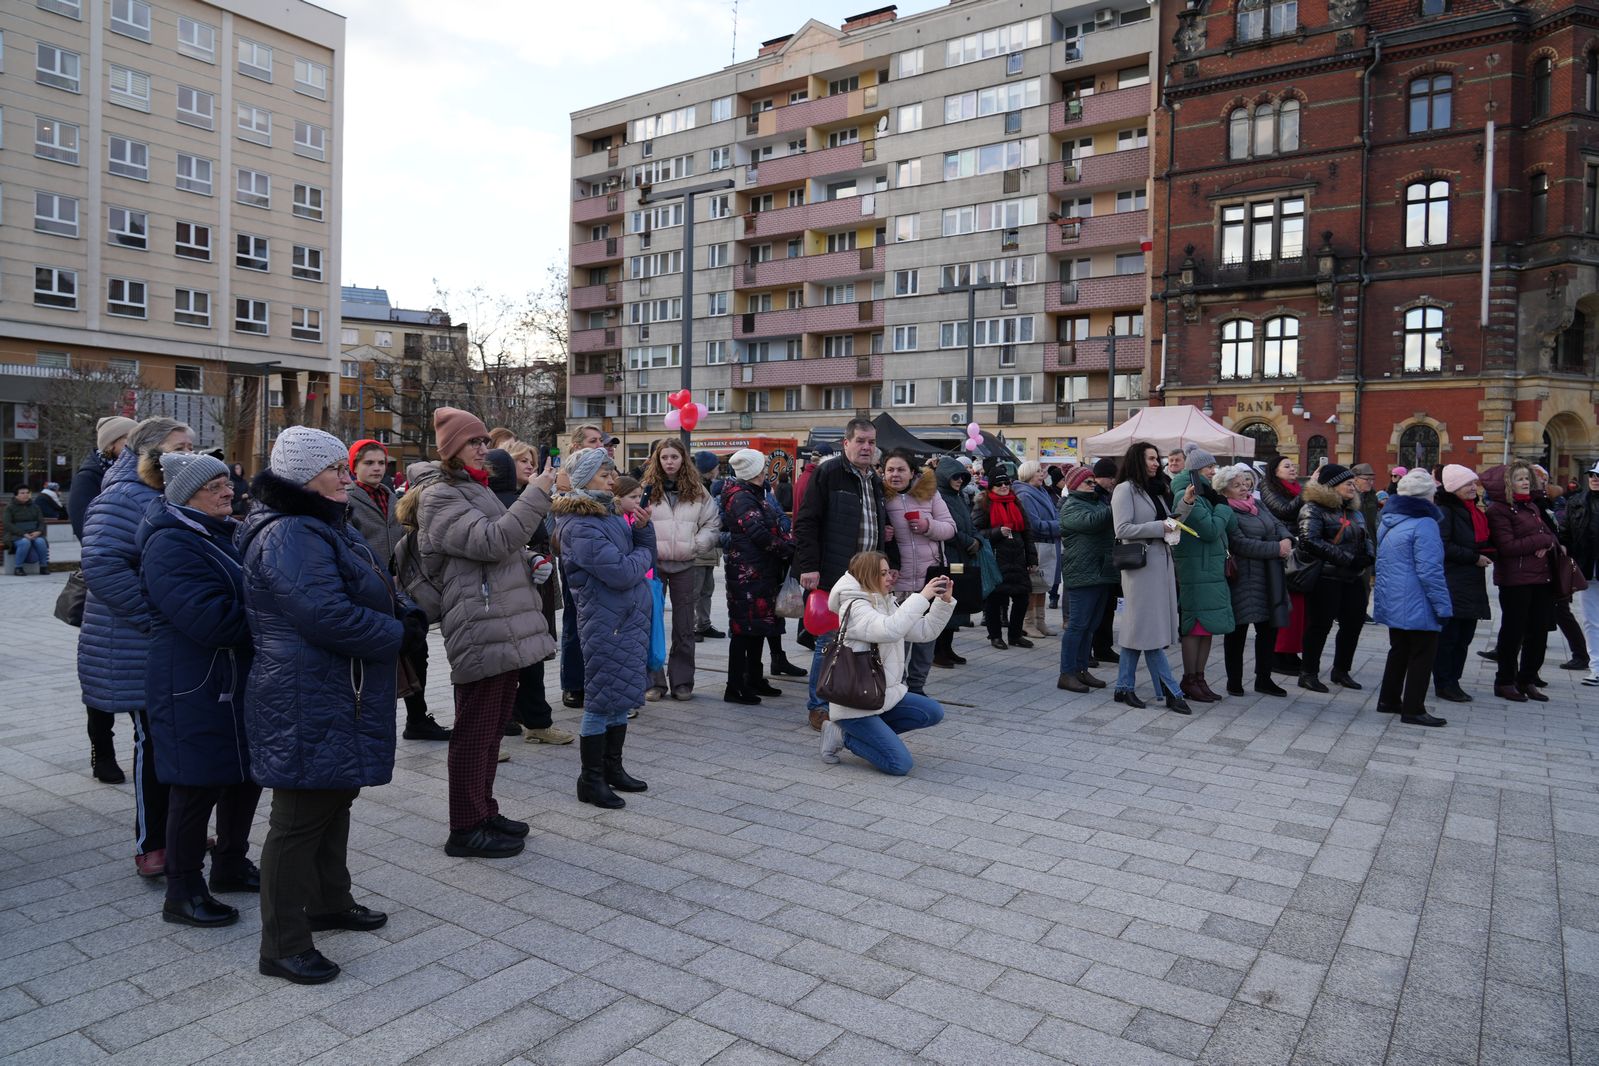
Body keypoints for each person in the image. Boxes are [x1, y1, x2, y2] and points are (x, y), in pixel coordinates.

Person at [240, 426, 410, 984]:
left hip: (333, 687)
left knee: (335, 797)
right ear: (301, 475)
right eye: (335, 469)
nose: (347, 476)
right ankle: (283, 944)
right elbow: (325, 614)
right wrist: (396, 633)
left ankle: (328, 901)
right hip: (303, 691)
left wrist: (404, 609)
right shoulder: (292, 531)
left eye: (344, 466)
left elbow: (364, 584)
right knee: (298, 818)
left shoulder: (322, 522)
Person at [401, 408, 558, 857]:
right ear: (452, 448)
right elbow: (491, 541)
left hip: (498, 617)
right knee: (475, 731)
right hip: (478, 621)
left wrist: (529, 559)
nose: (483, 448)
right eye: (474, 442)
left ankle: (484, 811)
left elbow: (497, 547)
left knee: (492, 729)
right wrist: (536, 493)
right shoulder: (440, 495)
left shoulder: (473, 486)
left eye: (485, 441)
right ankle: (465, 828)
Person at [137, 451, 262, 927]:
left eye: (227, 482)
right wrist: (275, 612)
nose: (230, 491)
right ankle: (183, 890)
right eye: (215, 486)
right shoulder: (170, 543)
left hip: (232, 677)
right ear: (186, 495)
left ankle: (230, 863)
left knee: (244, 774)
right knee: (196, 784)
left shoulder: (219, 531)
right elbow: (211, 621)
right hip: (192, 683)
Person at [80, 417, 194, 869]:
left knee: (172, 739)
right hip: (134, 641)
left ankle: (177, 832)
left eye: (190, 447)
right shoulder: (123, 496)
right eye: (179, 448)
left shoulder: (164, 490)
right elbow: (102, 566)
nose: (188, 455)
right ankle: (153, 844)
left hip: (160, 638)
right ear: (146, 451)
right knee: (152, 741)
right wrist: (155, 618)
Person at [550, 447, 653, 808]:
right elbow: (621, 572)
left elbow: (630, 562)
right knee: (600, 700)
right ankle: (590, 779)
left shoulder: (606, 514)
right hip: (604, 622)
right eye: (605, 475)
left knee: (619, 695)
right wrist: (644, 551)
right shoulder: (579, 524)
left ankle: (613, 768)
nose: (613, 480)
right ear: (584, 480)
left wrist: (642, 532)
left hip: (624, 619)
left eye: (612, 473)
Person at [348, 438, 451, 742]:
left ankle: (417, 719)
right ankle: (367, 723)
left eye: (381, 463)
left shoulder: (391, 496)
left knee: (417, 651)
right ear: (354, 466)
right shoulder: (349, 500)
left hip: (400, 591)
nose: (377, 468)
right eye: (369, 463)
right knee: (379, 659)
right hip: (368, 592)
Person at [794, 419, 891, 732]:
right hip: (836, 573)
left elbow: (878, 525)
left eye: (871, 442)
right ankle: (818, 706)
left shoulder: (874, 479)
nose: (866, 447)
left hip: (869, 577)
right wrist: (809, 566)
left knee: (861, 639)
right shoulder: (829, 473)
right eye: (860, 441)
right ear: (846, 443)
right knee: (829, 641)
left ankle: (850, 699)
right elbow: (806, 521)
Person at [819, 552, 954, 775]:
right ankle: (842, 735)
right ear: (867, 575)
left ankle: (874, 734)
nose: (890, 577)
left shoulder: (885, 600)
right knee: (899, 764)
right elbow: (890, 630)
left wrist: (943, 602)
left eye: (888, 572)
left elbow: (924, 632)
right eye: (883, 574)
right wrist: (922, 597)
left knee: (932, 711)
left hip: (882, 695)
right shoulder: (854, 606)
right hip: (855, 703)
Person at [483, 446, 573, 746]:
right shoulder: (506, 502)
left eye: (531, 461)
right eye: (522, 461)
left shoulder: (500, 499)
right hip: (520, 589)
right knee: (524, 658)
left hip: (521, 589)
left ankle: (519, 721)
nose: (529, 466)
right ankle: (528, 721)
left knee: (519, 658)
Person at [1110, 442, 1192, 714]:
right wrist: (1160, 527)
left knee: (1140, 627)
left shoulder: (1155, 489)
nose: (1157, 463)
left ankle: (1124, 686)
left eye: (1158, 458)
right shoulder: (1125, 489)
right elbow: (1122, 529)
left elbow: (1170, 522)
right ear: (1137, 460)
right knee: (1150, 629)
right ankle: (1171, 690)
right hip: (1140, 566)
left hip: (1160, 562)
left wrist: (1185, 504)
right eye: (1152, 458)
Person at [641, 439, 721, 701]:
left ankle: (682, 681)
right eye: (664, 457)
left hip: (686, 564)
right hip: (653, 565)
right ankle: (654, 681)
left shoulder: (697, 489)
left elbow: (712, 522)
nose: (669, 462)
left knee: (685, 625)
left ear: (683, 459)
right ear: (657, 460)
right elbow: (634, 519)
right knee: (652, 624)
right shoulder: (647, 488)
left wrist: (697, 544)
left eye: (674, 457)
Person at [1373, 470, 1452, 726]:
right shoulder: (1425, 523)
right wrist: (1443, 606)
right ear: (1428, 496)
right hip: (1418, 599)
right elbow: (1430, 570)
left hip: (1394, 596)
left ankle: (1388, 700)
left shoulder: (1389, 519)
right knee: (1422, 653)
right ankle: (1413, 708)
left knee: (1399, 649)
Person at [721, 448, 797, 705]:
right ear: (754, 471)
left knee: (757, 627)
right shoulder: (742, 497)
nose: (766, 470)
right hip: (748, 573)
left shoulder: (754, 493)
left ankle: (753, 678)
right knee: (743, 630)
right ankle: (735, 686)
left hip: (759, 570)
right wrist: (788, 550)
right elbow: (759, 534)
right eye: (763, 466)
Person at [882, 449, 955, 695]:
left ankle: (917, 687)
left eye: (901, 469)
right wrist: (883, 533)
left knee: (926, 639)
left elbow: (950, 528)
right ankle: (898, 687)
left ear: (912, 472)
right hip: (896, 580)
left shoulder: (930, 494)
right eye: (890, 470)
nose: (895, 474)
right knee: (897, 639)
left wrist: (927, 526)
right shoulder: (879, 496)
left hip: (928, 578)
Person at [1484, 461, 1558, 702]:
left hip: (1542, 576)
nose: (1525, 482)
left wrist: (1547, 542)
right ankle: (1505, 681)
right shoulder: (1498, 510)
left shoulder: (1531, 506)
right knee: (1513, 632)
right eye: (1519, 479)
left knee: (1539, 631)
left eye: (1527, 478)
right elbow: (1507, 547)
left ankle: (1526, 679)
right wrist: (1541, 542)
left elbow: (1550, 535)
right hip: (1515, 579)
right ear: (1507, 484)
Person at [1296, 464, 1372, 692]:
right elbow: (1309, 540)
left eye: (1353, 483)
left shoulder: (1354, 510)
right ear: (1332, 486)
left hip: (1353, 577)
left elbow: (1366, 536)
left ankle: (1341, 670)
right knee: (1320, 625)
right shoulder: (1313, 508)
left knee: (1353, 623)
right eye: (1348, 483)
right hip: (1326, 577)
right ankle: (1308, 672)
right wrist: (1348, 559)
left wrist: (1369, 556)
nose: (1353, 487)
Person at [1219, 466, 1292, 697]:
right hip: (1243, 578)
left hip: (1269, 576)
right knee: (1237, 631)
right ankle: (1234, 681)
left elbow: (1277, 524)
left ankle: (1264, 679)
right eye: (1237, 485)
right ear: (1224, 490)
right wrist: (1276, 548)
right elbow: (1239, 544)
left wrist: (1287, 539)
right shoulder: (1226, 511)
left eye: (1246, 483)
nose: (1244, 488)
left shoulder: (1257, 504)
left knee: (1268, 629)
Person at [1170, 444, 1233, 703]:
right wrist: (1223, 507)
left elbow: (1230, 526)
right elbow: (1210, 530)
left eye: (1214, 466)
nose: (1213, 471)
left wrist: (1220, 503)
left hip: (1209, 569)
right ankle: (1189, 678)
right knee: (1195, 626)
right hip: (1195, 570)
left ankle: (1200, 678)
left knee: (1207, 628)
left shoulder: (1207, 495)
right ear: (1195, 470)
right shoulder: (1185, 494)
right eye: (1209, 467)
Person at [1433, 464, 1493, 703]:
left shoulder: (1471, 510)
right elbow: (1443, 545)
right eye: (1467, 484)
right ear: (1453, 487)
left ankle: (1454, 680)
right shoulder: (1446, 511)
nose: (1473, 487)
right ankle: (1444, 682)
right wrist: (1473, 557)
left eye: (1474, 483)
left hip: (1469, 581)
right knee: (1450, 637)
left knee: (1464, 636)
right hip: (1453, 580)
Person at [1056, 465, 1114, 692]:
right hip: (1082, 573)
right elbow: (1091, 522)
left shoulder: (1097, 502)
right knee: (1077, 626)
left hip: (1100, 571)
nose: (1093, 485)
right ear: (1074, 485)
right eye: (1088, 482)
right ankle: (1067, 673)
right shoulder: (1071, 506)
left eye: (1093, 481)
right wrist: (1116, 506)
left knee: (1090, 626)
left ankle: (1081, 670)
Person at [973, 470, 1037, 650]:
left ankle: (1015, 635)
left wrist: (1032, 558)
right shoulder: (983, 503)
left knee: (1022, 598)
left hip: (1017, 558)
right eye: (999, 484)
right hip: (996, 558)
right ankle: (995, 636)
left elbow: (1027, 532)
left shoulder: (1016, 502)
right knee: (995, 600)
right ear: (991, 487)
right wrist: (996, 532)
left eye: (1006, 483)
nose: (1003, 487)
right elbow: (976, 532)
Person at [931, 456, 982, 669]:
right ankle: (937, 652)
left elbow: (969, 523)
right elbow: (945, 529)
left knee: (956, 604)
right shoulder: (938, 497)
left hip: (962, 557)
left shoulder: (958, 496)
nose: (960, 480)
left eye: (962, 476)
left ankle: (948, 648)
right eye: (955, 476)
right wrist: (969, 541)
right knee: (943, 604)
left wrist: (977, 539)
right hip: (947, 556)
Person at [1261, 456, 1308, 675]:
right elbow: (1285, 510)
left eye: (1293, 465)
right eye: (1286, 466)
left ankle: (1291, 651)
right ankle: (1278, 654)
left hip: (1298, 551)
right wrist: (1307, 493)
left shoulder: (1296, 488)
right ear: (1275, 470)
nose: (1292, 468)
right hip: (1282, 551)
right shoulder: (1269, 487)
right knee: (1285, 604)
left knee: (1298, 607)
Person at [69, 415, 136, 540]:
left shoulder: (138, 471)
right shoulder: (87, 477)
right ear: (110, 444)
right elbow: (83, 525)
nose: (137, 443)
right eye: (130, 438)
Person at [1562, 462, 1599, 687]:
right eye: (1592, 475)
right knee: (1591, 620)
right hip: (1587, 568)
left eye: (1598, 475)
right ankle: (1596, 668)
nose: (1594, 479)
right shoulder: (1576, 502)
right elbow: (1565, 533)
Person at [1015, 461, 1061, 638]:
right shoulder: (1025, 495)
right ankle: (1028, 623)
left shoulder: (1042, 491)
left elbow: (1055, 515)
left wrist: (1057, 524)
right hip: (1035, 544)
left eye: (1041, 471)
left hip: (1048, 543)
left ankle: (1040, 621)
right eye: (1037, 471)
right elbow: (1034, 525)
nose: (1042, 474)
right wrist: (1059, 526)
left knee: (1043, 584)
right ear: (1027, 474)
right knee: (1033, 585)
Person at [691, 450, 726, 641]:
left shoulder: (712, 487)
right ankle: (692, 626)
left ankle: (703, 624)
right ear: (709, 469)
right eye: (716, 466)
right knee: (695, 591)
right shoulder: (695, 488)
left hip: (710, 547)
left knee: (706, 589)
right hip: (698, 546)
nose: (718, 470)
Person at [5, 485, 50, 574]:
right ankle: (18, 568)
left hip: (34, 533)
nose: (25, 495)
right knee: (24, 542)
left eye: (27, 493)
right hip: (15, 535)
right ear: (16, 495)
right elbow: (8, 524)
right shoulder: (10, 508)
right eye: (22, 493)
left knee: (40, 541)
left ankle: (43, 566)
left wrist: (38, 531)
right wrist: (23, 534)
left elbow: (41, 522)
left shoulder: (35, 507)